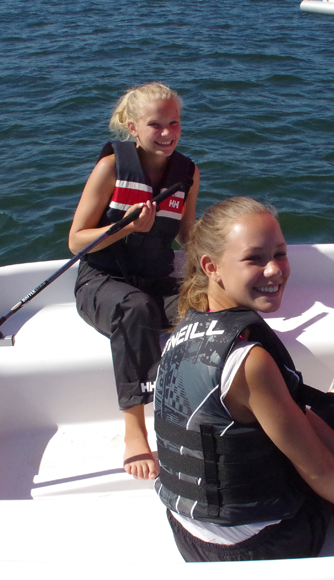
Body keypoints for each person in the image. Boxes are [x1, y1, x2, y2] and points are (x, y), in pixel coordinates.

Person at [153, 197, 334, 562]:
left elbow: (294, 412)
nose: (275, 269)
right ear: (212, 267)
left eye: (280, 254)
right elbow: (317, 469)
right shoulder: (250, 362)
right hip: (257, 549)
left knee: (323, 413)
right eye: (255, 259)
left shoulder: (184, 329)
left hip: (188, 533)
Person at [68, 83, 201, 481]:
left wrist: (217, 262)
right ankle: (135, 430)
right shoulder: (111, 167)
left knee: (206, 304)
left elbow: (187, 235)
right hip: (101, 281)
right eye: (155, 124)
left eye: (174, 123)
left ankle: (201, 405)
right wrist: (124, 228)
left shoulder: (188, 173)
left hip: (156, 279)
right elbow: (76, 241)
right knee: (135, 308)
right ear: (133, 128)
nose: (167, 132)